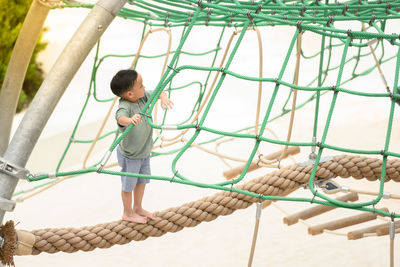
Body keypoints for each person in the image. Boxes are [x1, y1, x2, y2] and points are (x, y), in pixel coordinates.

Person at [110, 69, 173, 223]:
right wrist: (130, 120)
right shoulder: (125, 105)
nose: (144, 87)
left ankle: (138, 207)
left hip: (144, 152)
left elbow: (160, 91)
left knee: (142, 181)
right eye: (141, 85)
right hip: (131, 155)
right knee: (128, 185)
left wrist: (164, 98)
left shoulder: (143, 97)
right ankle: (127, 212)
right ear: (130, 94)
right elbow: (120, 117)